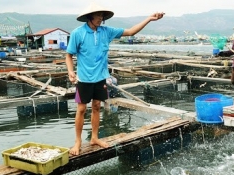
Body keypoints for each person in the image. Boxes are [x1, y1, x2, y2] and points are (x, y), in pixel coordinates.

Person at [65, 2, 165, 155]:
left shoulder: (107, 31)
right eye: (98, 15)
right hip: (84, 79)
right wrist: (71, 71)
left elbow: (131, 32)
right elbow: (69, 55)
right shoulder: (78, 33)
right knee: (81, 109)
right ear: (90, 17)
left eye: (103, 16)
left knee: (97, 106)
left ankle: (94, 138)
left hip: (100, 78)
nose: (101, 18)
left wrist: (149, 19)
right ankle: (77, 142)